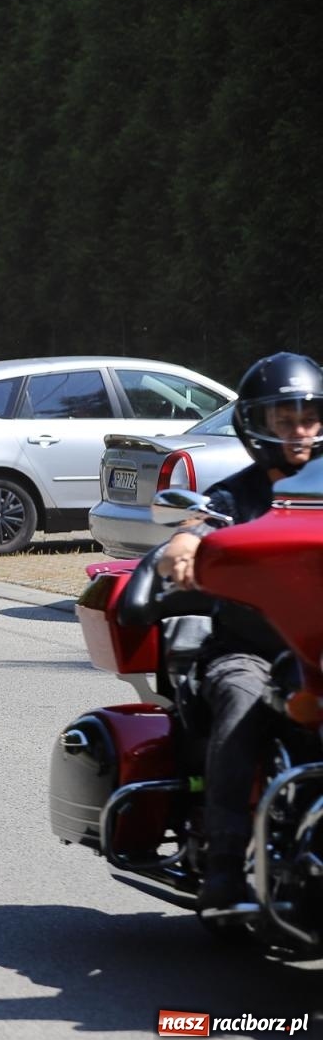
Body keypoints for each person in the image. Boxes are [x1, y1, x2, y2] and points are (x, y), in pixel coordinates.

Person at [156, 351, 323, 910]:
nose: (299, 431)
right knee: (244, 699)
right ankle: (224, 864)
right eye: (284, 419)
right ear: (256, 424)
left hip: (316, 654)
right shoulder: (235, 497)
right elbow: (197, 524)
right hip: (250, 652)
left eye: (309, 418)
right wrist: (184, 546)